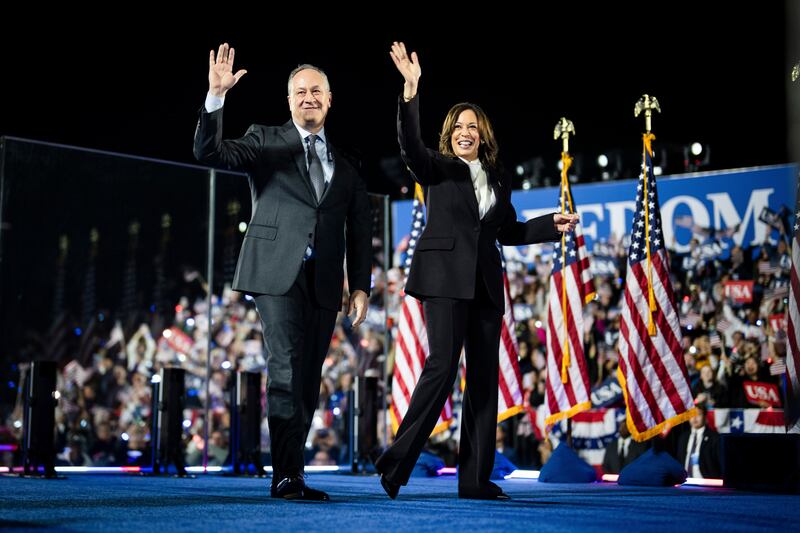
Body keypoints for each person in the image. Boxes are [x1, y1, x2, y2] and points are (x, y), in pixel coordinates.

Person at [375, 42, 578, 500]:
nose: (466, 131)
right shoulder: (438, 168)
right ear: (450, 133)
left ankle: (474, 480)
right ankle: (394, 462)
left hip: (486, 285)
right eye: (459, 126)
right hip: (443, 280)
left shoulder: (500, 176)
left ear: (483, 134)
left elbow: (509, 231)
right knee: (442, 368)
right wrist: (411, 91)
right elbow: (410, 146)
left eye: (473, 126)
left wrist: (552, 225)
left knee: (484, 382)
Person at [193, 43, 372, 501]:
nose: (308, 97)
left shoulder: (348, 163)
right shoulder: (265, 139)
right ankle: (285, 475)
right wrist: (216, 97)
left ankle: (294, 471)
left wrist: (361, 288)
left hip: (326, 282)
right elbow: (209, 152)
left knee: (309, 377)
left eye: (316, 91)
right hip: (275, 273)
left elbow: (359, 228)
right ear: (288, 100)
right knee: (286, 367)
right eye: (299, 92)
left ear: (329, 99)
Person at [675, 403, 721, 479]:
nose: (694, 418)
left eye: (698, 414)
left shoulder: (714, 438)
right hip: (685, 483)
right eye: (691, 415)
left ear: (705, 417)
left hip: (707, 483)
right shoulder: (683, 438)